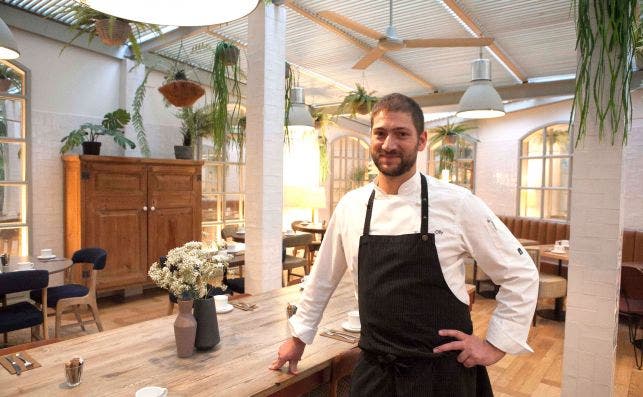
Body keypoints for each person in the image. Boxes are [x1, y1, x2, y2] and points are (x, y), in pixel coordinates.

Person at [270, 93, 538, 396]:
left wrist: (495, 344)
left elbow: (520, 273)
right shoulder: (351, 207)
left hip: (441, 376)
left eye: (401, 134)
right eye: (380, 133)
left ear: (421, 140)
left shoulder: (457, 203)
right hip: (376, 371)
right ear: (370, 137)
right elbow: (321, 280)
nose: (388, 144)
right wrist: (298, 338)